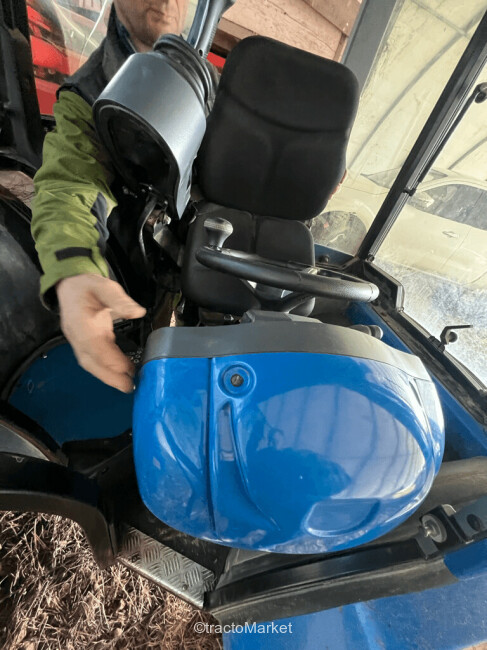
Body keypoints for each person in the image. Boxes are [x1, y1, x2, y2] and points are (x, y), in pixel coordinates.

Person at [31, 0, 191, 394]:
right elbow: (70, 185)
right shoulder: (89, 94)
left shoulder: (207, 80)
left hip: (194, 269)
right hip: (125, 274)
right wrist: (75, 270)